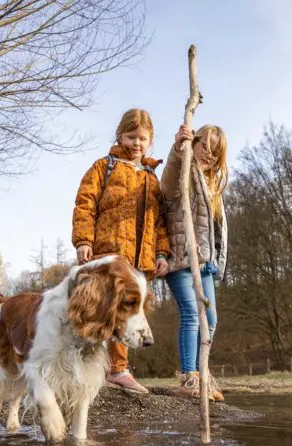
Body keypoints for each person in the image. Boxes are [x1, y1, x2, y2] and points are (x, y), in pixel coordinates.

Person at [72, 108, 170, 395]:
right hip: (108, 255)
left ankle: (118, 370)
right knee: (98, 310)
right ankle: (83, 366)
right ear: (120, 136)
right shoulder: (104, 167)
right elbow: (84, 204)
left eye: (142, 138)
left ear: (150, 140)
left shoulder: (152, 177)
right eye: (131, 137)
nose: (136, 144)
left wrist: (162, 253)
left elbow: (160, 220)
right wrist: (83, 240)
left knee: (128, 314)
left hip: (141, 259)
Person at [160, 124, 229, 401]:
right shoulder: (184, 172)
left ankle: (203, 374)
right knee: (191, 314)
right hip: (181, 258)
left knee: (210, 319)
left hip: (204, 263)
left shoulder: (213, 186)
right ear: (195, 142)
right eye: (204, 147)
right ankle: (189, 377)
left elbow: (217, 230)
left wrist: (215, 260)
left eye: (216, 153)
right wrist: (179, 149)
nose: (209, 155)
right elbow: (166, 187)